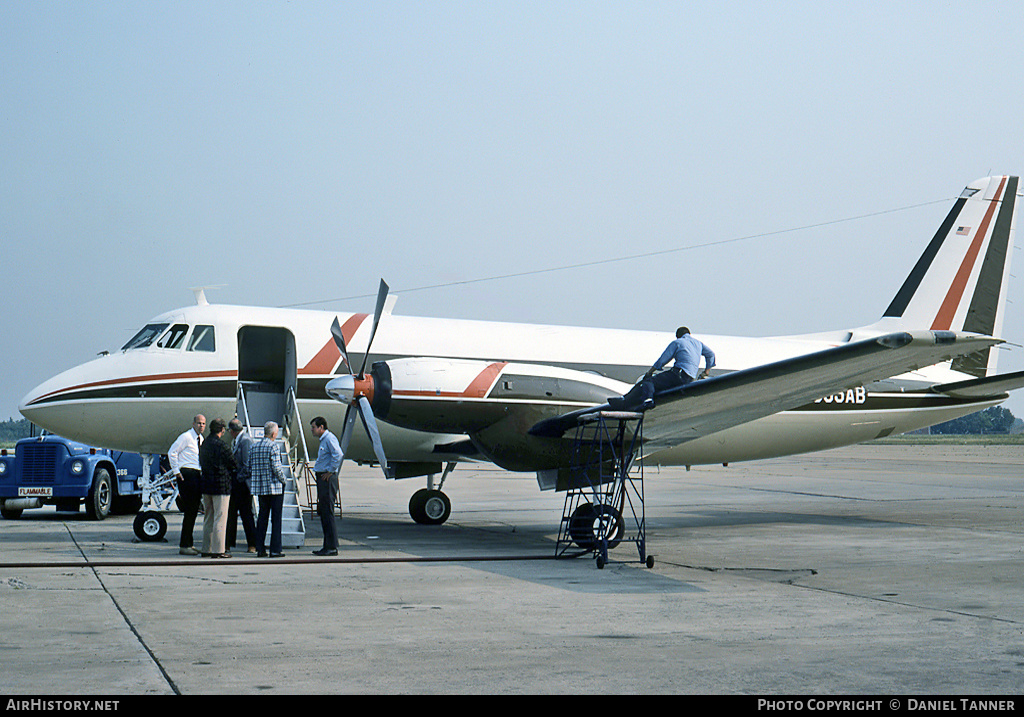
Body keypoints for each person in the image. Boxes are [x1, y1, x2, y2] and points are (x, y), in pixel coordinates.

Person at [613, 327, 716, 411]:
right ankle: (626, 399)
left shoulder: (678, 342)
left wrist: (650, 372)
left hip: (678, 374)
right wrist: (706, 372)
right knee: (657, 385)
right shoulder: (698, 344)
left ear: (678, 335)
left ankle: (645, 400)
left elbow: (662, 360)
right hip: (689, 379)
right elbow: (711, 354)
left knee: (648, 382)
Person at [168, 415, 205, 555]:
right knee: (190, 510)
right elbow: (172, 452)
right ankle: (185, 544)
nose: (201, 426)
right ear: (193, 423)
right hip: (187, 473)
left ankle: (188, 542)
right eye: (199, 423)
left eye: (203, 424)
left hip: (197, 474)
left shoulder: (201, 439)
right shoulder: (186, 437)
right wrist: (176, 471)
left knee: (194, 510)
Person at [199, 418, 236, 558]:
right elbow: (233, 463)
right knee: (220, 519)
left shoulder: (204, 444)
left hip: (206, 485)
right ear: (222, 430)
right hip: (221, 485)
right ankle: (218, 550)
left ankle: (206, 548)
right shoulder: (222, 445)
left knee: (208, 517)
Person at [249, 421, 287, 558]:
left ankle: (260, 548)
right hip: (275, 488)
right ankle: (275, 549)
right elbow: (276, 468)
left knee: (262, 518)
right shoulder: (273, 447)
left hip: (261, 488)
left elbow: (249, 467)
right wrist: (284, 480)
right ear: (273, 433)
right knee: (276, 519)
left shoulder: (254, 447)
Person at [310, 416, 343, 556]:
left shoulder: (329, 438)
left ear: (321, 427)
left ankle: (332, 546)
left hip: (327, 479)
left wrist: (330, 470)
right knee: (323, 512)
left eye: (314, 427)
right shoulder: (324, 439)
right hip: (323, 477)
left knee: (327, 511)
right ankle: (327, 545)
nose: (312, 430)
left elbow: (338, 454)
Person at [226, 419, 257, 554]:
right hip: (235, 483)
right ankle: (228, 542)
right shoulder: (237, 440)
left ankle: (252, 543)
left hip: (242, 484)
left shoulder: (245, 441)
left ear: (232, 431)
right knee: (231, 513)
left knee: (246, 514)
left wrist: (238, 478)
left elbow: (247, 464)